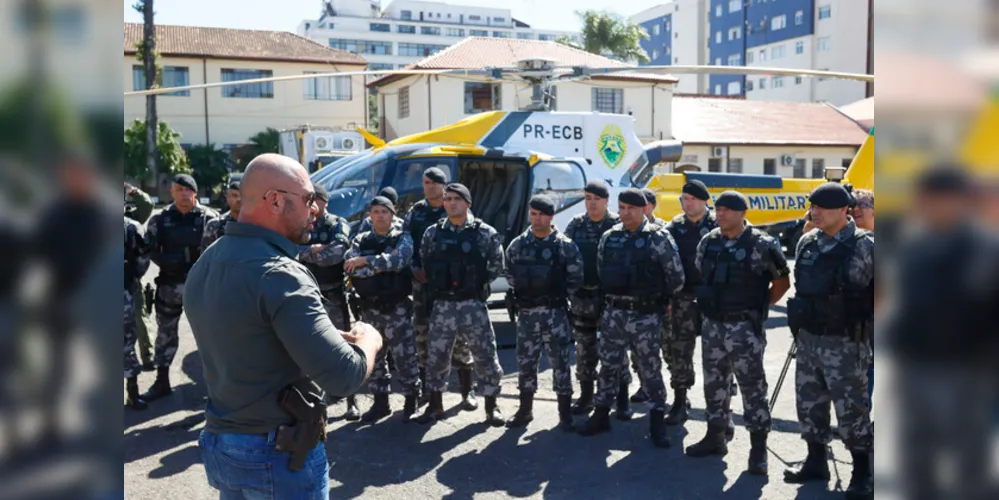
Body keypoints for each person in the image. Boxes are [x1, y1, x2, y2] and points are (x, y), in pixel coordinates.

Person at [184, 153, 382, 499]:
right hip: (275, 453)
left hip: (223, 444)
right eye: (308, 199)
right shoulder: (280, 274)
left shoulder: (210, 259)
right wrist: (370, 340)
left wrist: (318, 336)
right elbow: (344, 376)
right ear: (275, 200)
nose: (316, 209)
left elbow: (247, 332)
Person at [684, 191, 791, 476]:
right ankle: (715, 436)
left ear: (743, 213)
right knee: (714, 383)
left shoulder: (762, 244)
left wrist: (760, 305)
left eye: (727, 210)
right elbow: (701, 273)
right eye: (717, 209)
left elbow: (782, 281)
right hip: (712, 326)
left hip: (744, 327)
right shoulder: (709, 242)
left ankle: (758, 449)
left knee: (752, 387)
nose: (720, 215)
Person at [784, 182, 874, 500]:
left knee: (852, 410)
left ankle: (863, 471)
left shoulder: (867, 246)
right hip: (809, 340)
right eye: (813, 207)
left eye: (821, 208)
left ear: (842, 211)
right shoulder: (807, 242)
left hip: (847, 344)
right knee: (810, 405)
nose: (814, 213)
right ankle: (815, 461)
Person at [578, 188, 685, 449]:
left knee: (650, 369)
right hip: (614, 312)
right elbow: (603, 270)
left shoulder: (659, 238)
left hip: (645, 315)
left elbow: (676, 278)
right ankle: (601, 413)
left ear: (643, 210)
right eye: (622, 207)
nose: (625, 213)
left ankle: (657, 420)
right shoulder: (609, 236)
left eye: (631, 209)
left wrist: (656, 300)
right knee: (609, 365)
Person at [413, 183, 506, 426]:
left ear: (468, 203)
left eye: (457, 199)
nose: (451, 203)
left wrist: (474, 283)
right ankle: (435, 406)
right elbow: (426, 260)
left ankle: (491, 405)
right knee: (437, 357)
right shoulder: (433, 233)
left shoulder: (484, 233)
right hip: (443, 305)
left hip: (472, 304)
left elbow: (496, 264)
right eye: (448, 199)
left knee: (485, 354)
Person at [504, 195, 584, 431]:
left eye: (541, 214)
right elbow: (510, 274)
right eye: (533, 213)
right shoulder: (518, 245)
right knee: (526, 363)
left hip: (555, 313)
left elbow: (576, 278)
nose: (537, 218)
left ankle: (565, 413)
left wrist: (555, 295)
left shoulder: (565, 246)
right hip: (527, 313)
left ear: (551, 216)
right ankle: (525, 410)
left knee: (560, 363)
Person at [402, 167, 477, 410]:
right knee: (422, 335)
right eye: (426, 182)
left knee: (460, 338)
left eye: (435, 183)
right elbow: (406, 242)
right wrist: (414, 268)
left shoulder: (454, 209)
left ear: (444, 186)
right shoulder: (417, 211)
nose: (429, 186)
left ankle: (468, 391)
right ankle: (428, 391)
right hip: (423, 286)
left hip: (451, 287)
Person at [142, 174, 219, 401]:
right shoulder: (160, 220)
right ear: (172, 193)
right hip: (169, 285)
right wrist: (168, 261)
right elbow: (149, 249)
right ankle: (161, 381)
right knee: (165, 334)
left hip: (202, 287)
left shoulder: (209, 218)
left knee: (211, 337)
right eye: (179, 190)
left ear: (194, 192)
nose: (184, 194)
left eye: (188, 190)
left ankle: (217, 386)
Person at [344, 195, 421, 422]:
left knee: (405, 356)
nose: (380, 216)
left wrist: (367, 261)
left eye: (384, 212)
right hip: (370, 309)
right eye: (376, 212)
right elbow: (352, 269)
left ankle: (411, 401)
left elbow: (399, 262)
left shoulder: (402, 237)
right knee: (375, 358)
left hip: (397, 308)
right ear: (370, 215)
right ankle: (380, 403)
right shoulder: (359, 240)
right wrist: (380, 264)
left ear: (392, 214)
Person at [296, 184, 360, 420]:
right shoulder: (300, 222)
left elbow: (336, 254)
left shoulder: (337, 224)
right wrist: (312, 250)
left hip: (332, 295)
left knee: (343, 347)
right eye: (309, 200)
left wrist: (309, 253)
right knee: (307, 348)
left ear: (325, 202)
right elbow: (288, 250)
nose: (312, 205)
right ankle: (314, 399)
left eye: (316, 200)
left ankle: (352, 401)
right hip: (306, 294)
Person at [564, 180, 625, 416]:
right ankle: (586, 396)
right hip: (582, 298)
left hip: (611, 299)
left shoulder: (617, 225)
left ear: (606, 201)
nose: (591, 203)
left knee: (615, 351)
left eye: (596, 199)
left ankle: (621, 399)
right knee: (584, 350)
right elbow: (566, 257)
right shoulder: (576, 225)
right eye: (587, 198)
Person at [663, 180, 717, 426]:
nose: (687, 203)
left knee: (717, 354)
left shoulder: (718, 224)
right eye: (684, 199)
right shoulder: (675, 226)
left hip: (712, 300)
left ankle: (719, 410)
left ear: (704, 200)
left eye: (692, 199)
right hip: (682, 298)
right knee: (679, 350)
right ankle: (680, 400)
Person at [629, 188, 672, 404]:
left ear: (652, 207)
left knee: (668, 348)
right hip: (636, 305)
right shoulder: (625, 231)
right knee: (638, 350)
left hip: (661, 302)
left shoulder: (663, 230)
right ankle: (644, 386)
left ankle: (678, 392)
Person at [124, 181, 156, 371]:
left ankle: (148, 356)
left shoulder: (130, 219)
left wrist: (133, 192)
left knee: (140, 317)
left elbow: (147, 206)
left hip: (130, 278)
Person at [124, 214, 152, 410]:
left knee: (125, 342)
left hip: (122, 290)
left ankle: (133, 394)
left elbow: (143, 258)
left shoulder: (131, 227)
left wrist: (132, 279)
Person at [202, 177, 242, 248]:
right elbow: (206, 255)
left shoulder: (257, 224)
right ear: (228, 198)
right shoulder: (215, 225)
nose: (239, 199)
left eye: (243, 196)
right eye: (234, 195)